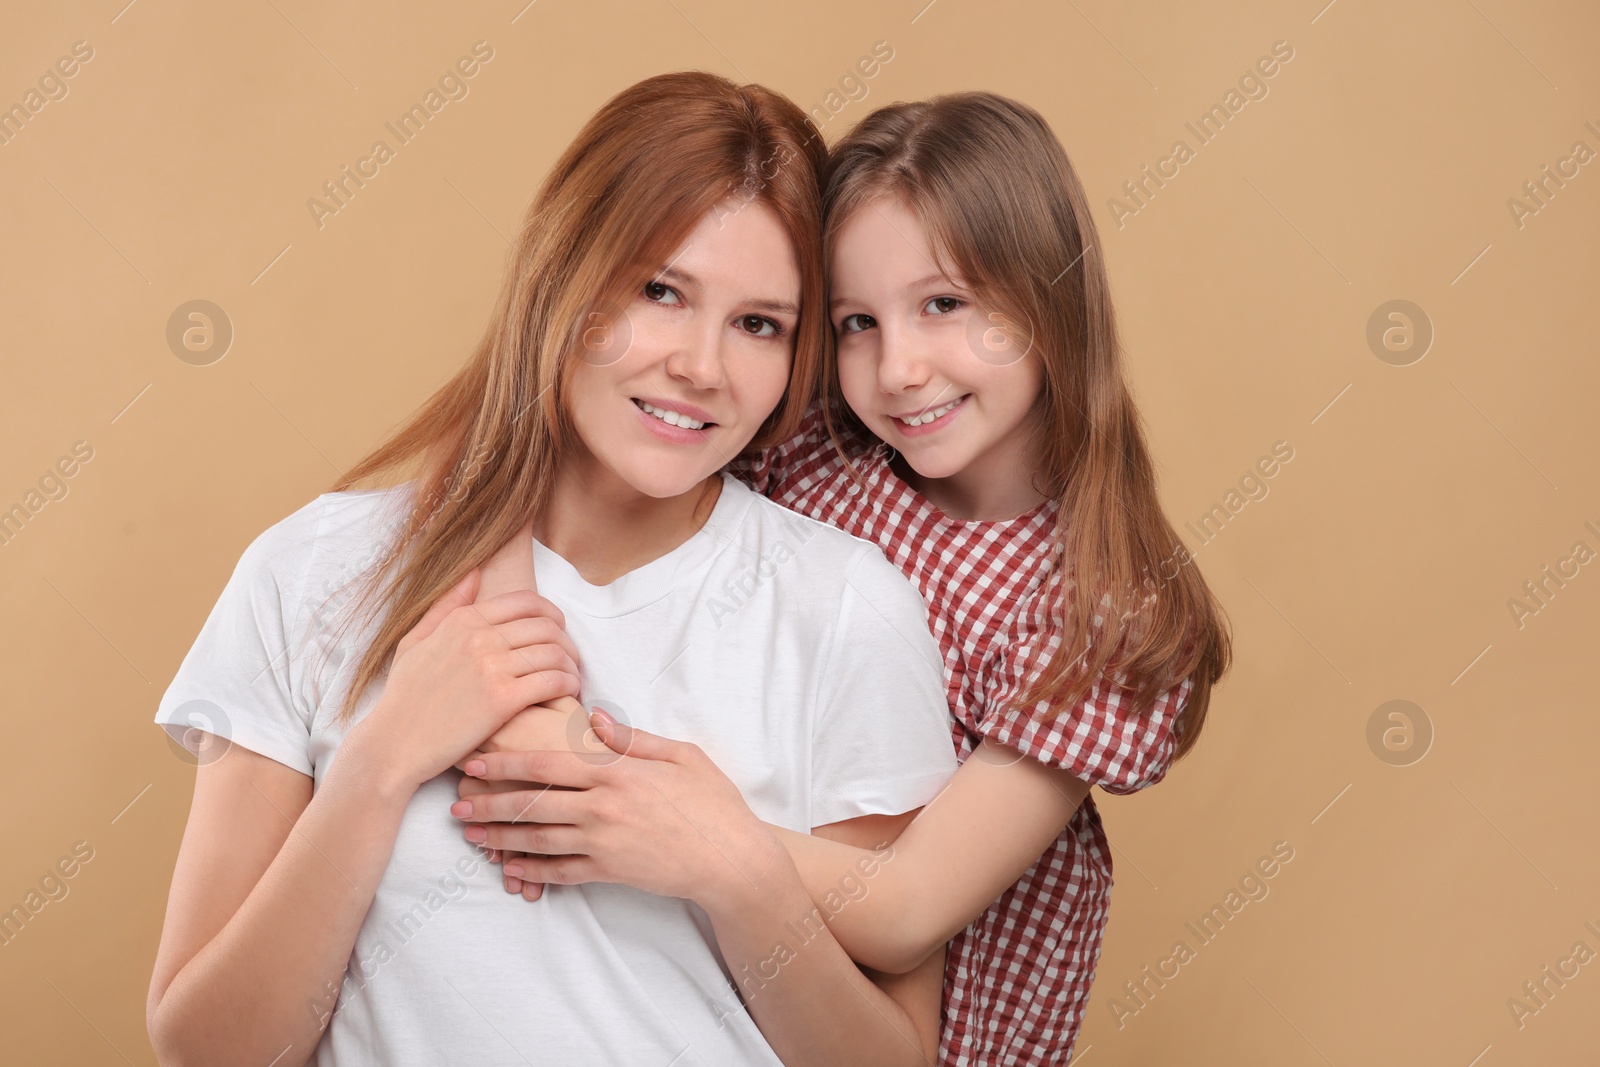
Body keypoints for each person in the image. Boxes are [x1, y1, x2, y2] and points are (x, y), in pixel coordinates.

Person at [144, 71, 960, 1067]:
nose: (701, 365)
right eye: (660, 290)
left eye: (760, 324)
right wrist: (378, 762)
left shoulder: (846, 610)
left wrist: (735, 869)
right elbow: (205, 1046)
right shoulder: (311, 571)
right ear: (565, 277)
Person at [455, 90, 1233, 1065]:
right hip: (718, 1002)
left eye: (943, 304)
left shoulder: (1102, 606)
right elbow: (547, 461)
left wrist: (683, 833)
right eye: (857, 321)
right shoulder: (821, 458)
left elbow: (906, 906)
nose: (899, 366)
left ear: (1049, 297)